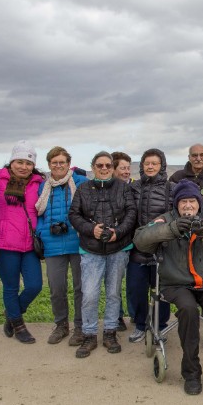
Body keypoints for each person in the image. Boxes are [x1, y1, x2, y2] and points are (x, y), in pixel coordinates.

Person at [134, 180, 203, 404]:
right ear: (176, 204)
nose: (187, 206)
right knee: (187, 309)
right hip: (175, 283)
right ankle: (191, 371)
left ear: (198, 202)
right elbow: (141, 239)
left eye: (191, 201)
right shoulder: (166, 219)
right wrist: (172, 230)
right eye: (183, 201)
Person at [68, 151, 137, 358]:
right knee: (89, 294)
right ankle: (89, 334)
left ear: (112, 167)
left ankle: (110, 332)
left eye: (108, 165)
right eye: (100, 165)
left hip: (118, 248)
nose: (104, 168)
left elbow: (131, 213)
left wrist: (119, 232)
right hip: (91, 250)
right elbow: (74, 214)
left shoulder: (123, 189)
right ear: (93, 167)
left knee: (114, 293)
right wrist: (91, 230)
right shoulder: (83, 189)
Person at [0, 141, 45, 344]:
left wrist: (76, 170)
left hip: (29, 244)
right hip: (5, 244)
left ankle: (12, 313)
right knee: (10, 287)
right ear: (11, 162)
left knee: (35, 286)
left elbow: (60, 175)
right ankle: (19, 325)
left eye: (28, 163)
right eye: (19, 162)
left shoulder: (38, 182)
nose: (23, 167)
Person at [35, 147, 90, 345]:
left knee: (80, 288)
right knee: (57, 288)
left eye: (62, 162)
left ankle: (80, 327)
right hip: (52, 244)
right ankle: (61, 325)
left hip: (78, 242)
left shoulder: (81, 183)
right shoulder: (44, 187)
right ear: (49, 164)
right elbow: (38, 214)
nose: (58, 165)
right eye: (54, 162)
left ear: (69, 163)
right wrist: (42, 232)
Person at [127, 148, 175, 343]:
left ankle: (160, 326)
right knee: (135, 288)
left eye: (154, 163)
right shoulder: (133, 188)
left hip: (163, 248)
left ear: (161, 166)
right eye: (147, 163)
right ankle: (140, 324)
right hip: (138, 248)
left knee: (161, 290)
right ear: (142, 166)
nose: (150, 166)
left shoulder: (171, 188)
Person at [110, 151, 134, 332]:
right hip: (115, 240)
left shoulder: (135, 187)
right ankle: (117, 316)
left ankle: (134, 314)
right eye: (122, 168)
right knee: (115, 282)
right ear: (113, 169)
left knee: (133, 281)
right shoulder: (107, 189)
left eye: (128, 168)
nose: (126, 172)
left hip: (135, 240)